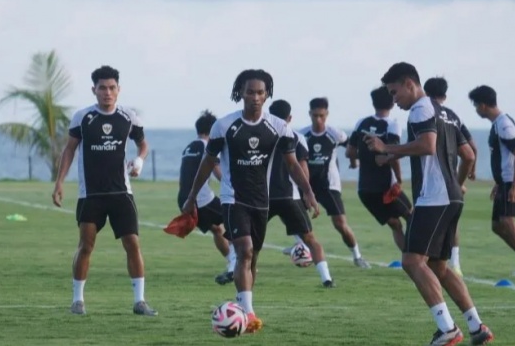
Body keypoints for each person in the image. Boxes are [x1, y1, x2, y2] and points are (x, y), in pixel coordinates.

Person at [181, 69, 320, 333]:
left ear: (267, 94)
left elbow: (292, 164)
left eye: (260, 92)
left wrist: (308, 192)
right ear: (240, 93)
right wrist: (191, 197)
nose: (255, 97)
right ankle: (250, 313)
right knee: (244, 250)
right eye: (250, 92)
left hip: (261, 202)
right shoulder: (224, 126)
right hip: (234, 199)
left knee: (253, 258)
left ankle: (243, 304)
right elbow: (207, 163)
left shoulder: (278, 127)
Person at [365, 62, 493, 345]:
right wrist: (457, 184)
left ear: (410, 83)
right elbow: (468, 154)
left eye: (395, 92)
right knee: (439, 267)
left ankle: (448, 329)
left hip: (434, 197)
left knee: (411, 261)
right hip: (451, 197)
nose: (394, 99)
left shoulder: (421, 108)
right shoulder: (445, 112)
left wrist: (387, 148)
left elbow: (427, 146)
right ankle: (476, 327)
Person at [52, 65, 157, 316]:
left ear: (118, 90)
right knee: (85, 246)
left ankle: (139, 301)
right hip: (91, 195)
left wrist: (139, 161)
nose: (107, 92)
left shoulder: (128, 117)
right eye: (102, 88)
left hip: (121, 194)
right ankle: (77, 301)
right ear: (94, 90)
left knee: (133, 244)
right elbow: (69, 150)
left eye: (112, 88)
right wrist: (59, 183)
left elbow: (143, 145)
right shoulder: (83, 117)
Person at [469, 85, 515, 276]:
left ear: (482, 105)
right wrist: (498, 183)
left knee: (507, 221)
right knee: (497, 225)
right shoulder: (497, 124)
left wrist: (514, 186)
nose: (475, 110)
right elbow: (503, 156)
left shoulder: (504, 124)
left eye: (475, 105)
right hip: (504, 181)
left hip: (513, 180)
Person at [268, 99, 333, 287]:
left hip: (264, 198)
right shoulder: (297, 137)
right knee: (311, 239)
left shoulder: (261, 135)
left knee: (250, 241)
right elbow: (303, 168)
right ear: (289, 118)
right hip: (291, 197)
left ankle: (238, 272)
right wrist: (308, 193)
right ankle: (326, 278)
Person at [302, 97, 371, 268]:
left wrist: (354, 162)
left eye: (322, 116)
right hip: (307, 185)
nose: (318, 119)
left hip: (329, 185)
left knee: (340, 223)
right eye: (315, 115)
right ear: (310, 114)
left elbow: (352, 147)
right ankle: (301, 247)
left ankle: (357, 256)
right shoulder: (303, 135)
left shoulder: (335, 134)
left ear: (327, 114)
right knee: (296, 219)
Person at [345, 87, 412, 251]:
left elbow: (349, 152)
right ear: (392, 102)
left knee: (395, 225)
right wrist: (399, 178)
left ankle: (409, 260)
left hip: (365, 189)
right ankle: (419, 259)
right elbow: (393, 153)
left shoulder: (362, 122)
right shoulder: (392, 125)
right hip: (385, 187)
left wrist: (364, 159)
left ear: (373, 103)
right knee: (412, 217)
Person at [424, 77, 478, 276]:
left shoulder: (426, 113)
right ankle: (455, 264)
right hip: (451, 184)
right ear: (445, 96)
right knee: (451, 225)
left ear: (425, 93)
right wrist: (461, 179)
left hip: (433, 186)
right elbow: (472, 151)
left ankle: (429, 266)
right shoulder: (454, 117)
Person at [177, 110, 237, 285]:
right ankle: (236, 266)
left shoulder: (188, 147)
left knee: (217, 230)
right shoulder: (207, 146)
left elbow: (183, 176)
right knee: (235, 221)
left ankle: (231, 262)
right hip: (201, 199)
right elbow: (218, 172)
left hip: (184, 198)